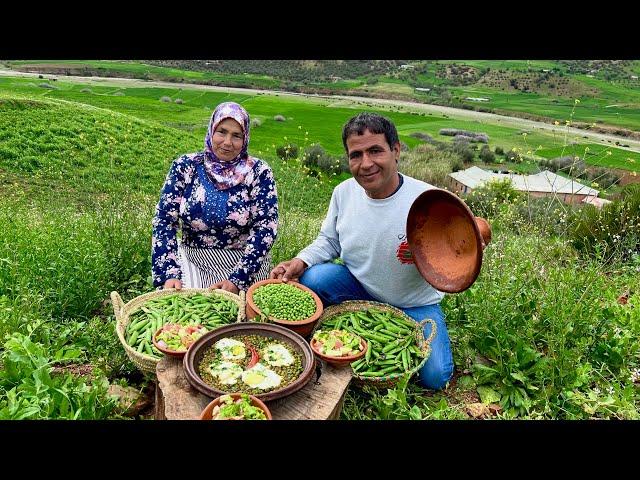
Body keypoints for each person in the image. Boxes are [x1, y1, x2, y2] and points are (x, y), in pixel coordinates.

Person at [270, 112, 453, 390]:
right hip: (360, 288)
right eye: (356, 155)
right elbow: (329, 241)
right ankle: (352, 319)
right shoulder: (344, 193)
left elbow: (455, 260)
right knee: (314, 278)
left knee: (435, 377)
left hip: (413, 303)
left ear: (396, 150)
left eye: (375, 151)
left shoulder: (428, 201)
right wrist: (300, 260)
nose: (366, 164)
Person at [152, 101, 278, 294]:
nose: (227, 142)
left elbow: (266, 228)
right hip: (194, 259)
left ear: (245, 139)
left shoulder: (259, 172)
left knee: (243, 319)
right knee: (189, 314)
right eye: (222, 132)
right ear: (211, 130)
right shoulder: (186, 167)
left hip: (244, 262)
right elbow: (164, 222)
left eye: (236, 135)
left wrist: (238, 280)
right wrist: (169, 272)